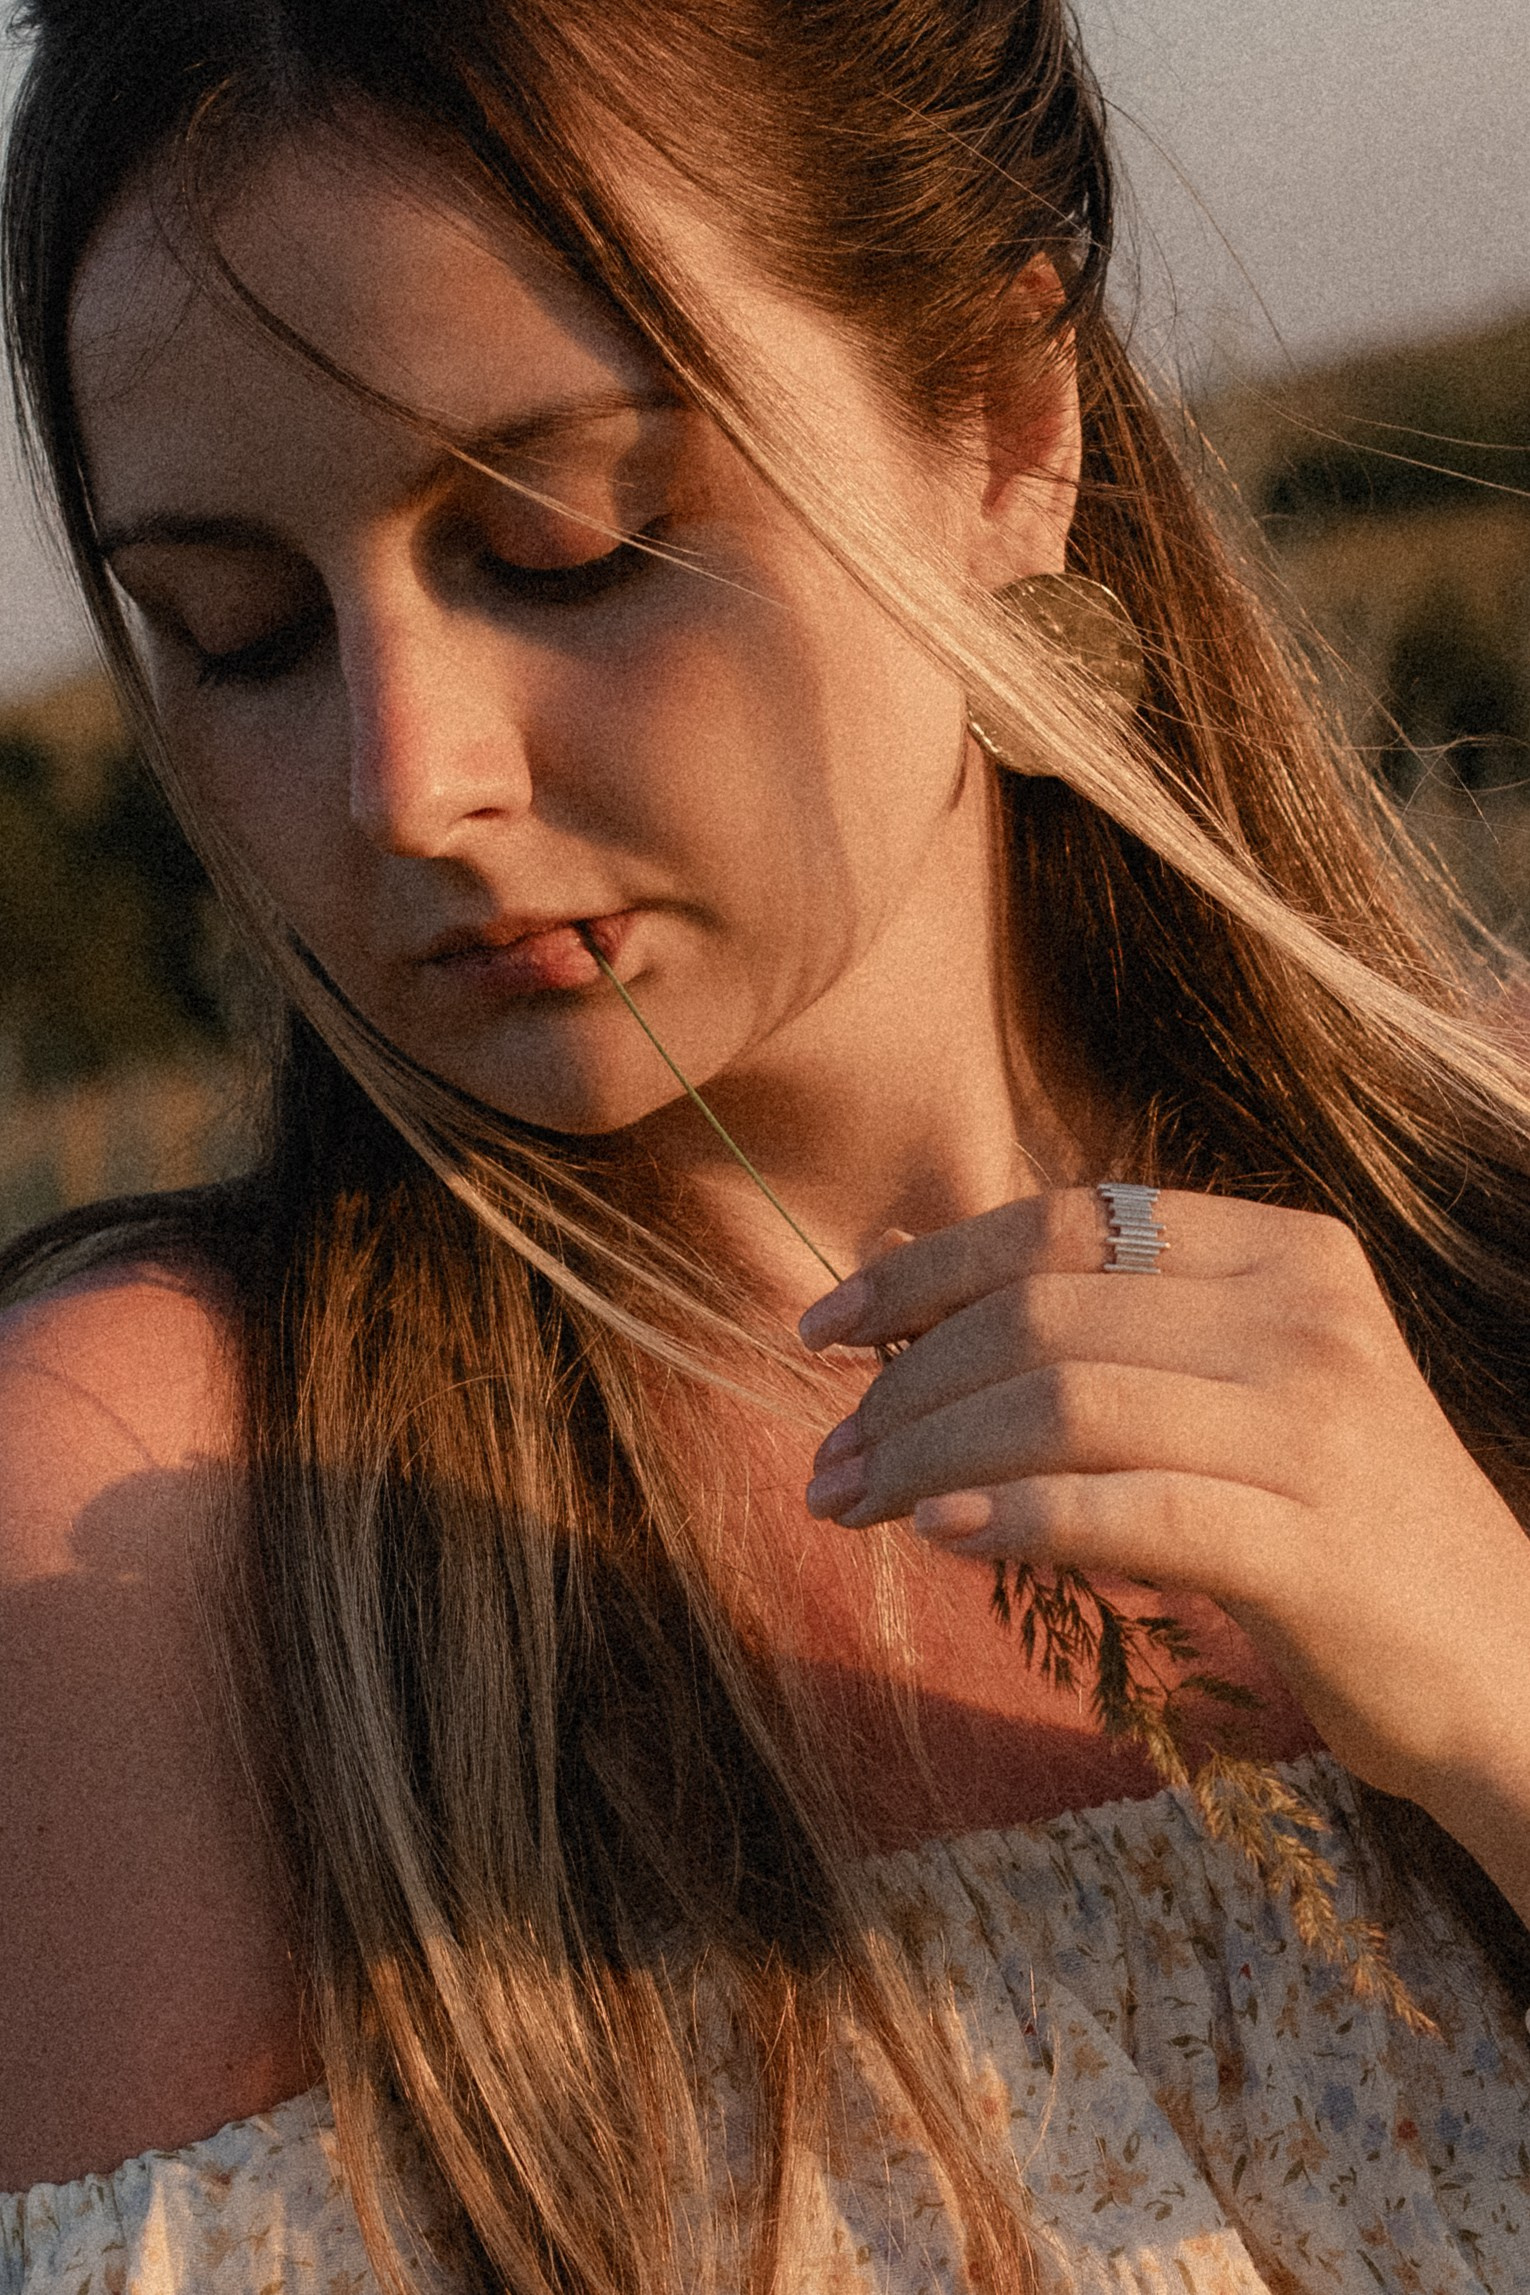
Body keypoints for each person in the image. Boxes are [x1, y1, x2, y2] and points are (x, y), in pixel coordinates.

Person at [3, 1, 1530, 2288]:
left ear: (1006, 427)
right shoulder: (155, 1526)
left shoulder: (1497, 1215)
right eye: (236, 631)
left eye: (569, 542)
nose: (407, 783)